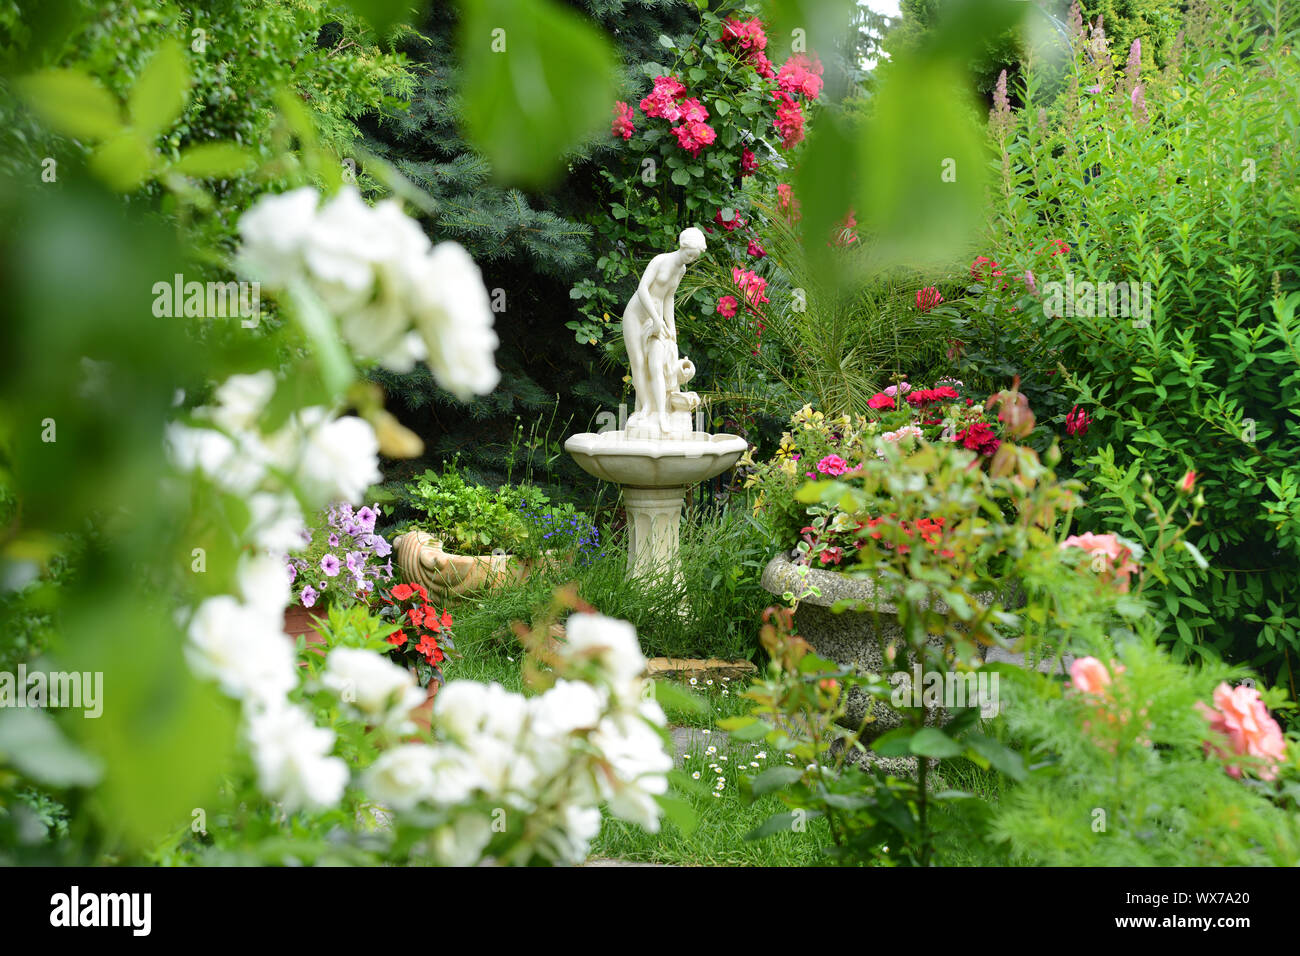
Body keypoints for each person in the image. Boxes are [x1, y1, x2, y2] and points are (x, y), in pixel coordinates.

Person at [621, 227, 706, 434]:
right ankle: (645, 407)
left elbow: (668, 298)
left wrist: (671, 327)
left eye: (695, 257)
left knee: (656, 363)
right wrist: (657, 320)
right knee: (639, 363)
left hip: (655, 318)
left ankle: (657, 411)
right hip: (636, 315)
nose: (691, 259)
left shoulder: (681, 270)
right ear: (682, 246)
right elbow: (642, 289)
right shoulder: (660, 261)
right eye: (690, 254)